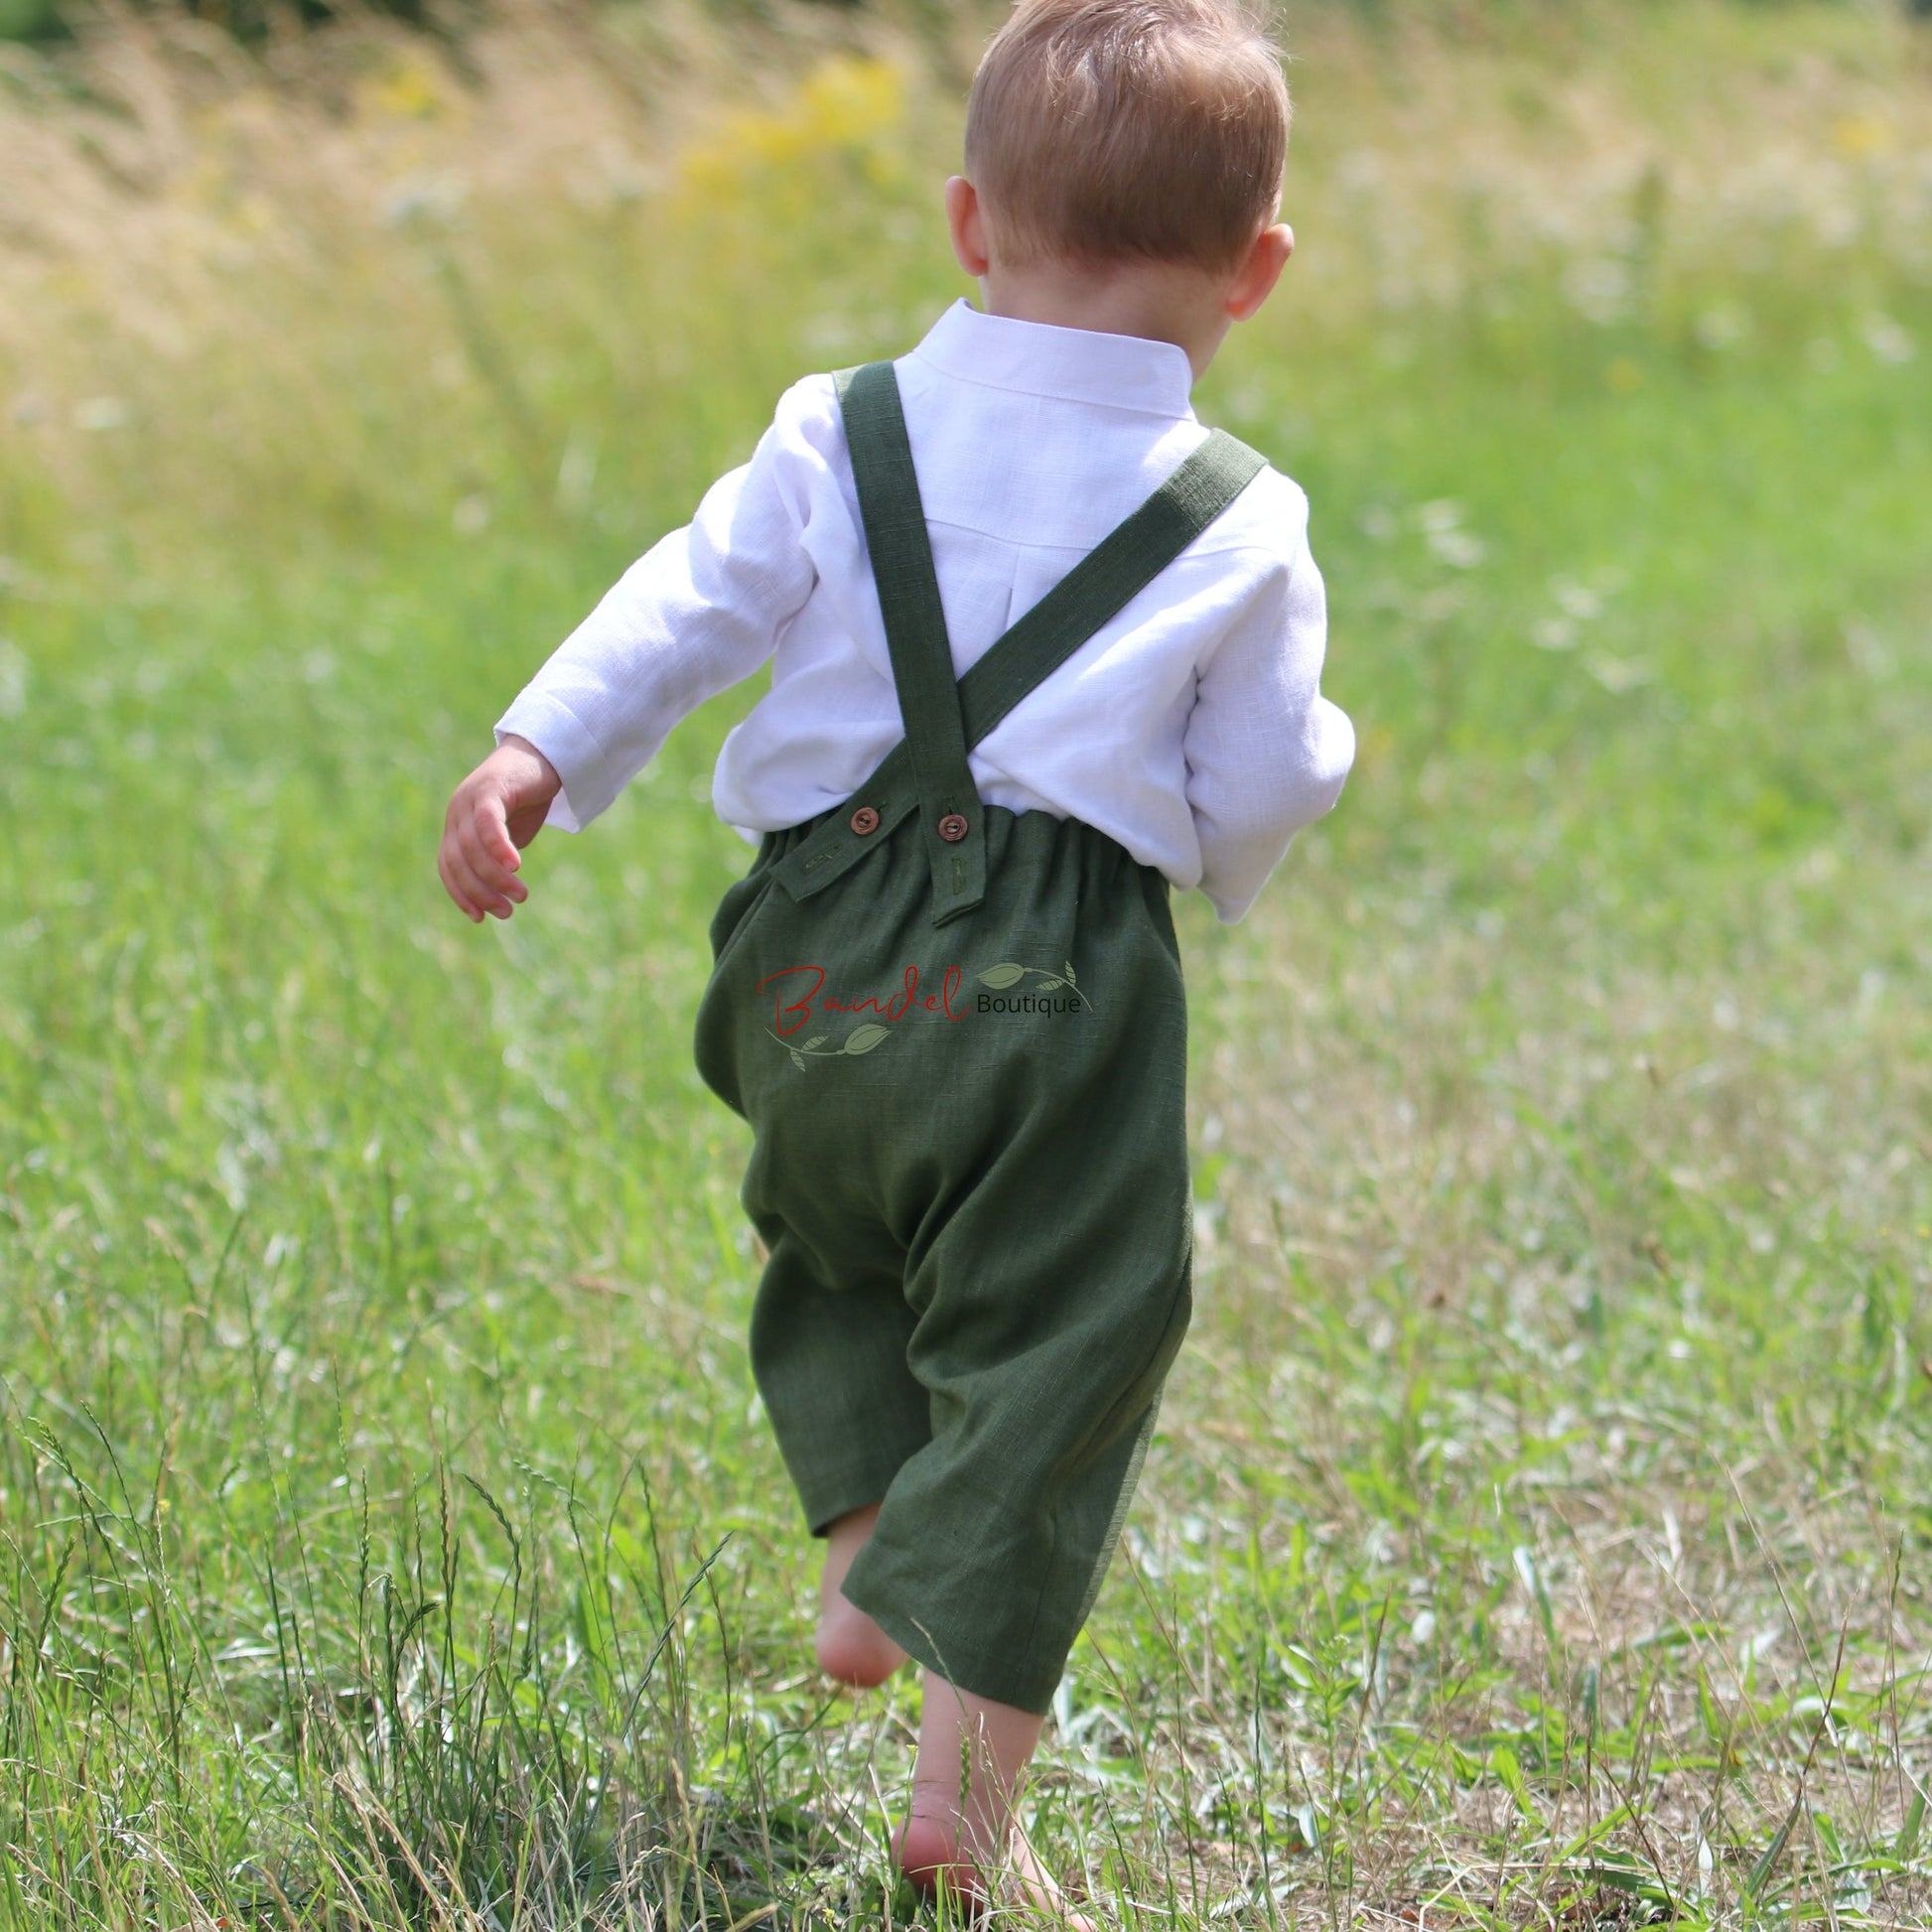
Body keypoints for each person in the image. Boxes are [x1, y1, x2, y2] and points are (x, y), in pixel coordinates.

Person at [437, 0, 1354, 1916]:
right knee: (1068, 1333)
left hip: (807, 952)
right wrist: (1229, 852)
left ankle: (858, 1545)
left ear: (965, 226)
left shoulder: (832, 426)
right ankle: (961, 1800)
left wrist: (538, 749)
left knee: (839, 1224)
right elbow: (1263, 768)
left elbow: (686, 602)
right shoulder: (1239, 513)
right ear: (1257, 268)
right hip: (1055, 980)